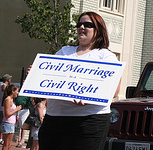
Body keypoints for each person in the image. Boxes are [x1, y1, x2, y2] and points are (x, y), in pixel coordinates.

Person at [38, 11, 121, 150]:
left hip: (89, 120)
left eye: (87, 24)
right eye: (79, 24)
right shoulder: (64, 51)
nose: (82, 27)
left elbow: (113, 90)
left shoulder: (105, 56)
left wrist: (89, 97)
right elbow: (49, 78)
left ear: (98, 30)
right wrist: (36, 75)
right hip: (55, 118)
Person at [0, 85, 22, 150]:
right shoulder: (8, 100)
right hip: (7, 123)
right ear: (13, 91)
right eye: (17, 91)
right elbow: (7, 114)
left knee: (9, 144)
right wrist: (16, 109)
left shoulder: (11, 100)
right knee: (6, 145)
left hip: (11, 123)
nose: (17, 93)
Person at [0, 74, 12, 145]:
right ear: (8, 79)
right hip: (2, 108)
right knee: (2, 123)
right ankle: (1, 138)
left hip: (2, 107)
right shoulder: (3, 85)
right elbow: (3, 87)